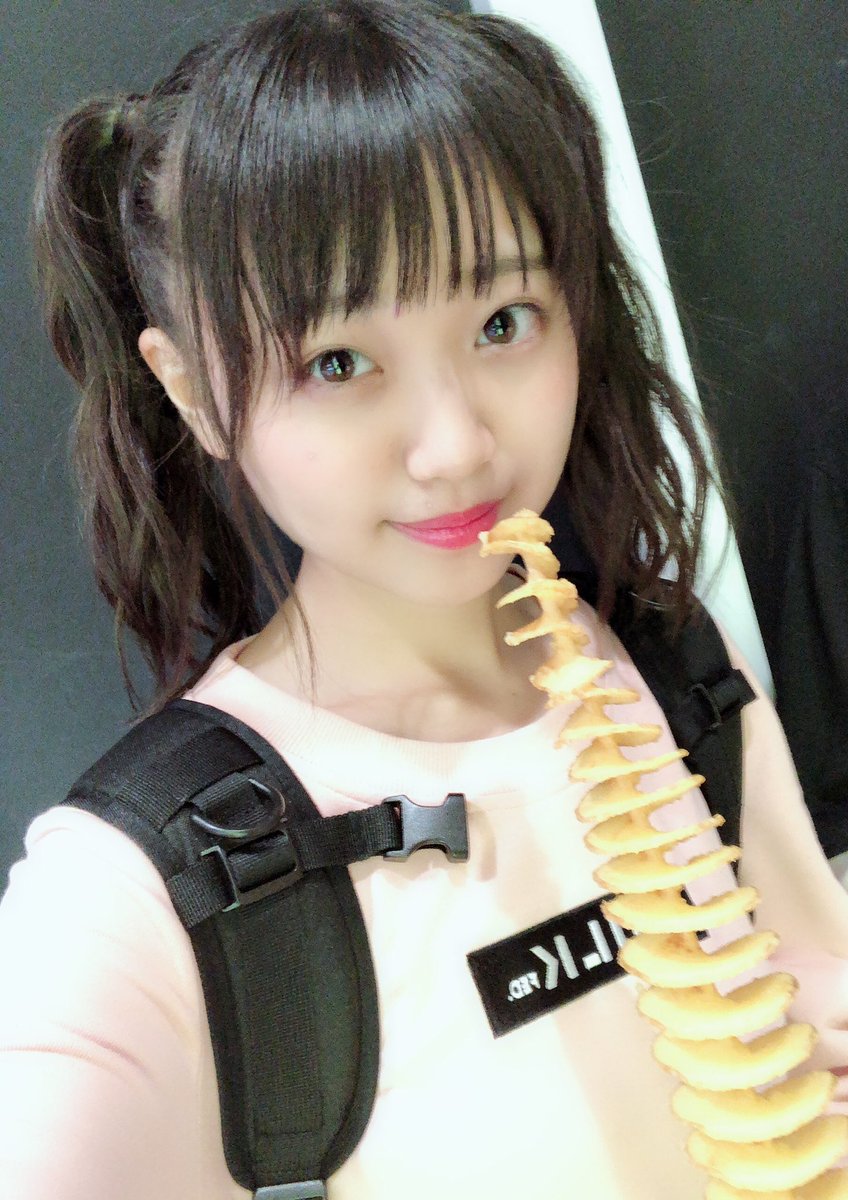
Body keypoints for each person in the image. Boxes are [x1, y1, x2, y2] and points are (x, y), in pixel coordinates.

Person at [3, 2, 848, 1197]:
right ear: (188, 389)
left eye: (502, 322)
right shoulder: (129, 894)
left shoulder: (675, 673)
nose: (454, 448)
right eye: (335, 361)